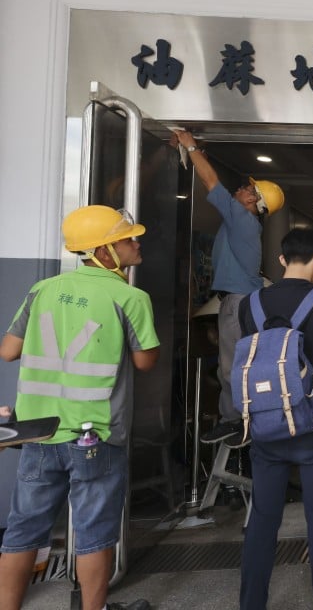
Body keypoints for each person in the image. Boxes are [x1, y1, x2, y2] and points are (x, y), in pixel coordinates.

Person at [0, 205, 160, 610]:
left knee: (22, 533)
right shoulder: (130, 297)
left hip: (38, 433)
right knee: (94, 534)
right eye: (127, 239)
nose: (136, 243)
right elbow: (145, 362)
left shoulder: (42, 290)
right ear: (104, 251)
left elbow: (8, 351)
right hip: (95, 434)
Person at [236, 228, 313, 610]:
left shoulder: (249, 304)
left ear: (283, 259)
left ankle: (252, 603)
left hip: (268, 425)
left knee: (263, 518)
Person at [170, 129, 284, 448]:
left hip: (238, 302)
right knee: (234, 362)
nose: (243, 188)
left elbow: (211, 183)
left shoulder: (243, 219)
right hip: (240, 301)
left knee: (231, 364)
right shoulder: (244, 222)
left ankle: (236, 421)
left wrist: (190, 145)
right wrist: (194, 152)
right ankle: (241, 418)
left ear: (255, 204)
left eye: (250, 189)